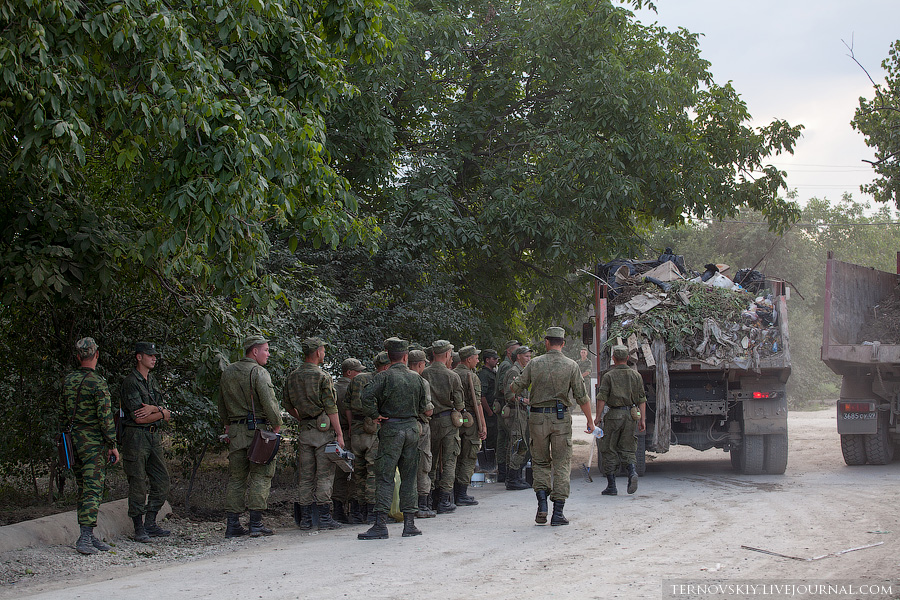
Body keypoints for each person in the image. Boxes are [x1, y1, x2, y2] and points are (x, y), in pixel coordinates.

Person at [511, 327, 593, 526]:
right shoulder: (572, 366)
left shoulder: (534, 364)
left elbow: (515, 387)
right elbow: (582, 397)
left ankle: (542, 505)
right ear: (563, 344)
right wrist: (590, 421)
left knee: (539, 462)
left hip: (537, 419)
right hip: (561, 419)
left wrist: (517, 384)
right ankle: (558, 512)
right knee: (562, 463)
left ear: (546, 342)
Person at [358, 338, 431, 540]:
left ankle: (380, 524)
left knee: (385, 476)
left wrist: (375, 414)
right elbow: (425, 406)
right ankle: (410, 524)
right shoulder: (416, 379)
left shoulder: (383, 377)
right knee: (409, 476)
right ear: (406, 356)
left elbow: (366, 397)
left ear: (389, 356)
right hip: (412, 429)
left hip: (391, 430)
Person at [218, 334, 283, 538]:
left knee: (236, 478)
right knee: (261, 475)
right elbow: (269, 402)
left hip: (236, 432)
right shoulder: (259, 372)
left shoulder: (227, 371)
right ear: (254, 351)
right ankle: (255, 524)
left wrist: (228, 425)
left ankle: (233, 525)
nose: (268, 354)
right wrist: (277, 425)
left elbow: (221, 404)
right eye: (266, 350)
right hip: (258, 431)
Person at [64, 337, 119, 555]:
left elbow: (63, 414)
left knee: (82, 487)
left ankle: (89, 535)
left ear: (78, 357)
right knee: (93, 489)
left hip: (73, 442)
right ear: (96, 355)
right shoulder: (98, 382)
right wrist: (112, 444)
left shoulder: (68, 380)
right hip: (93, 444)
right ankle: (85, 537)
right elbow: (105, 418)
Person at [283, 337, 344, 531]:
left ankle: (306, 519)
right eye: (323, 350)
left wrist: (300, 417)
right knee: (325, 475)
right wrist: (339, 434)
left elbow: (286, 404)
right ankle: (325, 517)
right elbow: (331, 407)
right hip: (323, 431)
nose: (324, 354)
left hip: (305, 431)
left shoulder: (292, 376)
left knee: (306, 476)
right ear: (317, 352)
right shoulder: (322, 377)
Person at [120, 341, 172, 543]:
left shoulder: (152, 381)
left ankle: (150, 521)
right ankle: (138, 527)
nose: (154, 358)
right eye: (149, 355)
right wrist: (160, 412)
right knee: (138, 483)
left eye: (155, 355)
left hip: (153, 437)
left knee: (162, 481)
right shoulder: (130, 382)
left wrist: (155, 409)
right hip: (136, 437)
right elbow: (139, 417)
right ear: (138, 357)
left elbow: (163, 409)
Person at [596, 345, 647, 496]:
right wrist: (642, 419)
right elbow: (642, 399)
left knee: (609, 448)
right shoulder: (636, 376)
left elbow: (601, 399)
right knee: (629, 447)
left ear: (613, 359)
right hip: (631, 416)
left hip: (614, 416)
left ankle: (611, 486)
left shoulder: (608, 376)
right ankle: (631, 473)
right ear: (627, 359)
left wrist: (597, 419)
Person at [421, 340, 463, 514]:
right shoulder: (452, 376)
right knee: (449, 461)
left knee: (429, 461)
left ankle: (427, 498)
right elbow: (460, 405)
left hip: (430, 422)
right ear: (447, 355)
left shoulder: (423, 374)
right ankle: (444, 500)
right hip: (448, 422)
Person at [349, 351, 390, 523]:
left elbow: (347, 406)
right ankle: (373, 512)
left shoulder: (358, 379)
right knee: (374, 471)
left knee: (359, 472)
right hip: (373, 430)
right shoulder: (383, 381)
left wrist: (352, 426)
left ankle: (361, 511)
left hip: (357, 431)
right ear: (387, 366)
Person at [452, 346, 488, 506]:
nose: (478, 360)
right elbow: (478, 403)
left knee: (453, 456)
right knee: (468, 457)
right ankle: (461, 493)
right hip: (471, 421)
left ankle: (450, 492)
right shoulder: (471, 377)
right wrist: (483, 426)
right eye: (476, 357)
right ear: (468, 359)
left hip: (454, 420)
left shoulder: (452, 374)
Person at [332, 357, 364, 524]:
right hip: (349, 433)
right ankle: (355, 510)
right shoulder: (352, 388)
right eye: (358, 371)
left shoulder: (333, 387)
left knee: (339, 473)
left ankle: (338, 509)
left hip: (335, 433)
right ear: (349, 372)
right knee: (355, 471)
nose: (360, 374)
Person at [408, 349, 436, 518]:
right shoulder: (420, 381)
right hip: (420, 428)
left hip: (399, 428)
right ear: (419, 364)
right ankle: (422, 506)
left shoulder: (394, 378)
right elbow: (427, 411)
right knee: (423, 465)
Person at [502, 346, 532, 491]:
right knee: (517, 444)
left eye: (529, 356)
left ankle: (515, 476)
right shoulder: (514, 371)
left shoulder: (522, 371)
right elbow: (509, 394)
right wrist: (523, 400)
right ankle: (512, 477)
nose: (529, 359)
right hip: (515, 412)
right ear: (518, 356)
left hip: (521, 412)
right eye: (526, 356)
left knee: (519, 443)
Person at [493, 340, 520, 482]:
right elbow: (502, 387)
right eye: (516, 351)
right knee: (509, 438)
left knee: (504, 438)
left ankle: (504, 472)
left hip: (504, 405)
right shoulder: (507, 366)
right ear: (509, 351)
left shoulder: (506, 365)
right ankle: (507, 471)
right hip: (506, 405)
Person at [477, 349, 499, 465]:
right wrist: (489, 412)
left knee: (494, 438)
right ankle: (487, 464)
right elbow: (482, 396)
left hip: (493, 411)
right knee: (489, 439)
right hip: (488, 412)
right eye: (494, 359)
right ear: (487, 360)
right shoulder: (484, 374)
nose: (496, 361)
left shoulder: (492, 373)